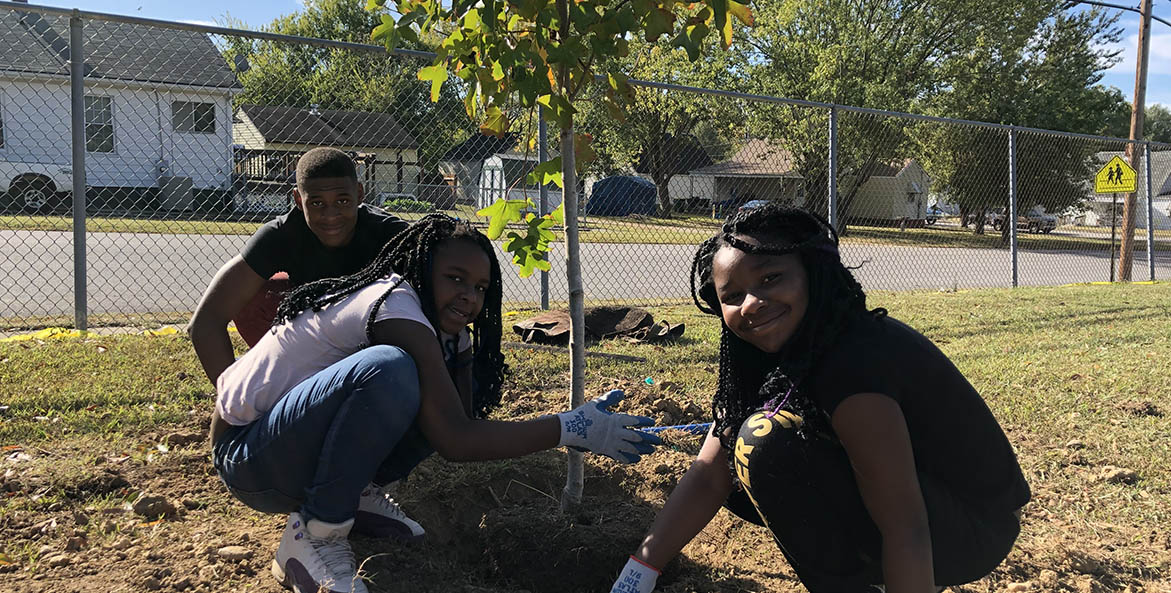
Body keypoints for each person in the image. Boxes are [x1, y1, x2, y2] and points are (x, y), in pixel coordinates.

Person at [210, 214, 661, 593]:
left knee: (424, 381)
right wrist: (570, 427)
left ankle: (353, 490)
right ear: (421, 270)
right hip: (248, 457)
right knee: (391, 370)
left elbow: (458, 420)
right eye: (455, 279)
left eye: (481, 287)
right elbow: (456, 441)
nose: (470, 295)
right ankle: (315, 534)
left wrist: (460, 351)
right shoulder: (395, 305)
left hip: (289, 448)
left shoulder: (440, 329)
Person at [610, 204, 1030, 593]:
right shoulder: (767, 349)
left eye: (771, 278)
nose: (752, 304)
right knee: (742, 453)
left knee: (763, 442)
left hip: (970, 528)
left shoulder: (851, 363)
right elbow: (708, 473)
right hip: (921, 507)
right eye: (732, 296)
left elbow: (906, 524)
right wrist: (639, 573)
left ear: (812, 271)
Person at [189, 147, 408, 385]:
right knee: (260, 294)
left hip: (373, 340)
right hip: (311, 334)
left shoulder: (391, 234)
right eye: (316, 203)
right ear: (297, 199)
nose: (331, 214)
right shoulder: (281, 234)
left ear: (359, 193)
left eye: (343, 201)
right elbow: (205, 322)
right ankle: (281, 378)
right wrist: (234, 400)